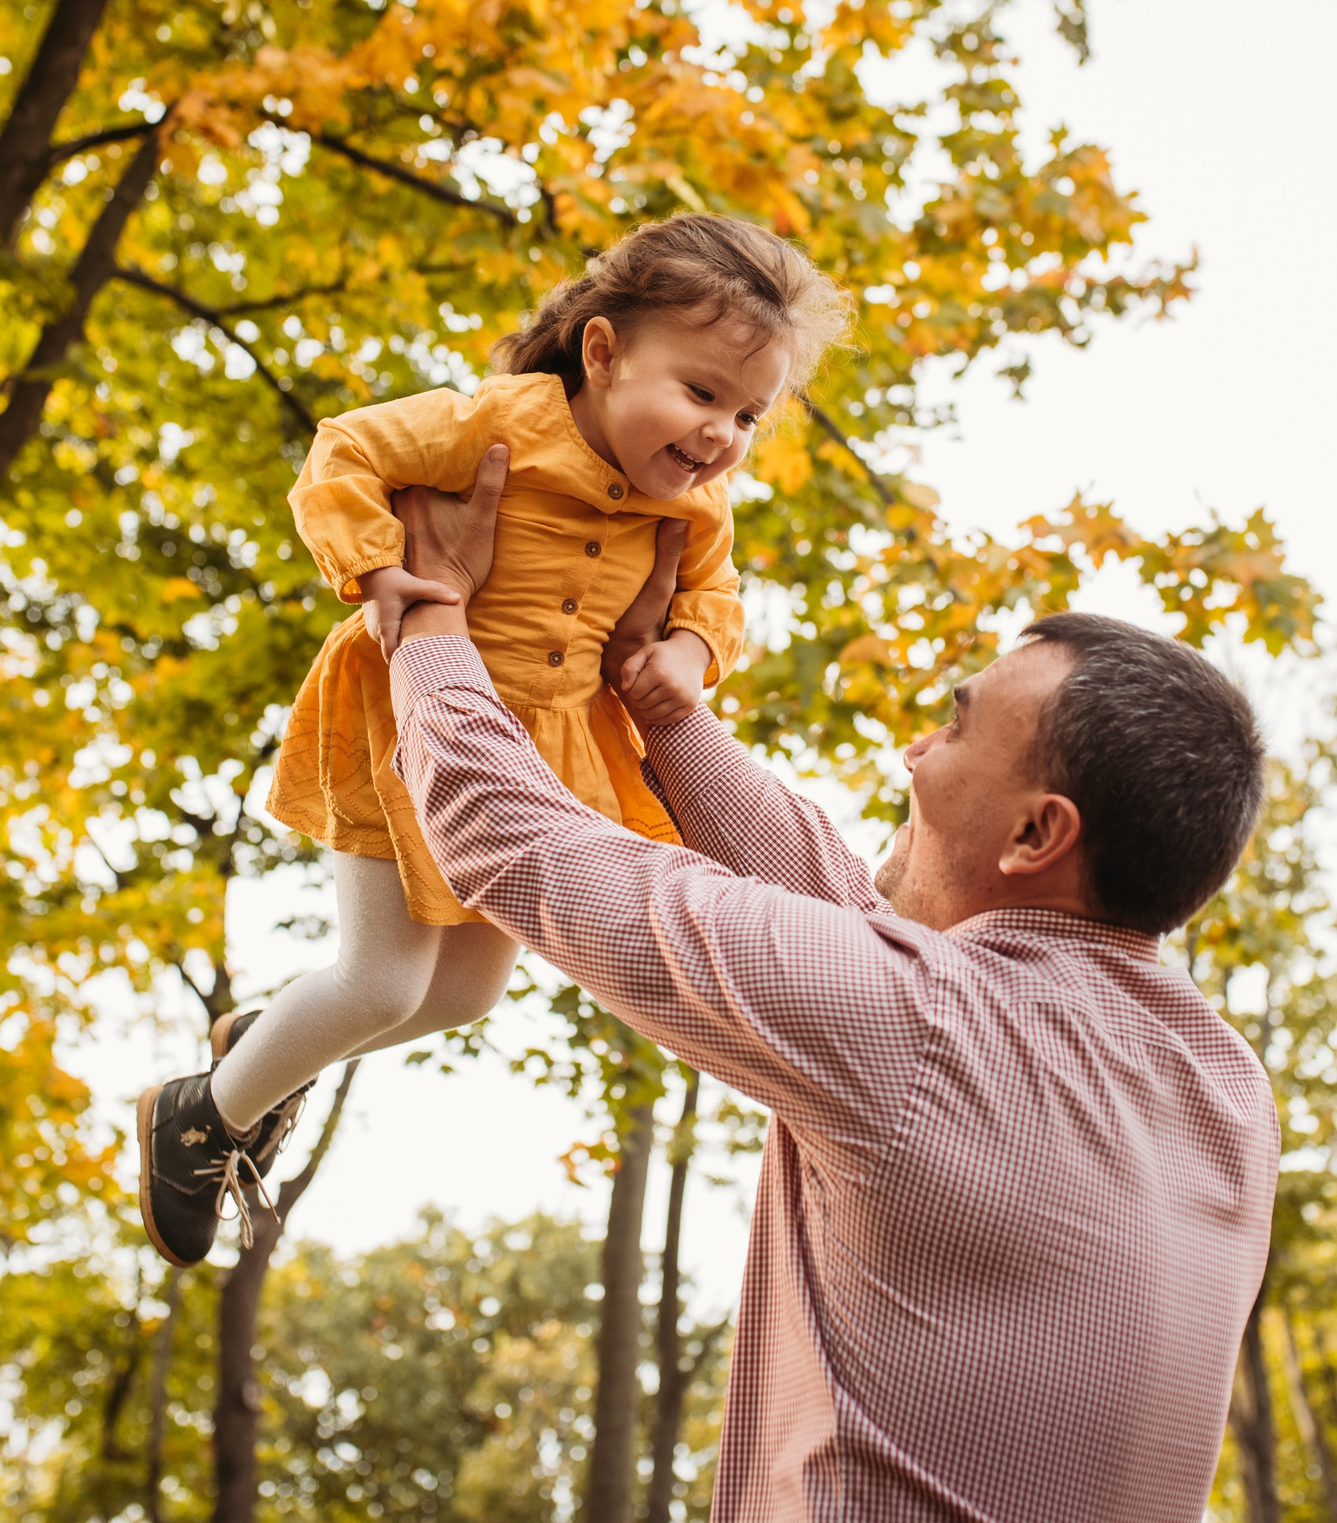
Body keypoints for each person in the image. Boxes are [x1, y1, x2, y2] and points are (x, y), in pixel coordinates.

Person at [289, 451, 1280, 1519]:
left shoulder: (916, 1024)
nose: (913, 750)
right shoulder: (1226, 1089)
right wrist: (653, 700)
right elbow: (863, 937)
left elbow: (508, 836)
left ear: (1037, 831)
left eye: (953, 724)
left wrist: (429, 611)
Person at [135, 213, 850, 1265]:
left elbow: (718, 598)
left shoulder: (697, 508)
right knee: (380, 980)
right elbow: (343, 455)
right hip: (407, 717)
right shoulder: (496, 424)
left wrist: (692, 657)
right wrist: (380, 572)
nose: (719, 435)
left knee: (464, 993)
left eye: (748, 413)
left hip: (538, 762)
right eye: (701, 392)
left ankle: (265, 1050)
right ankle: (195, 1117)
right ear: (602, 354)